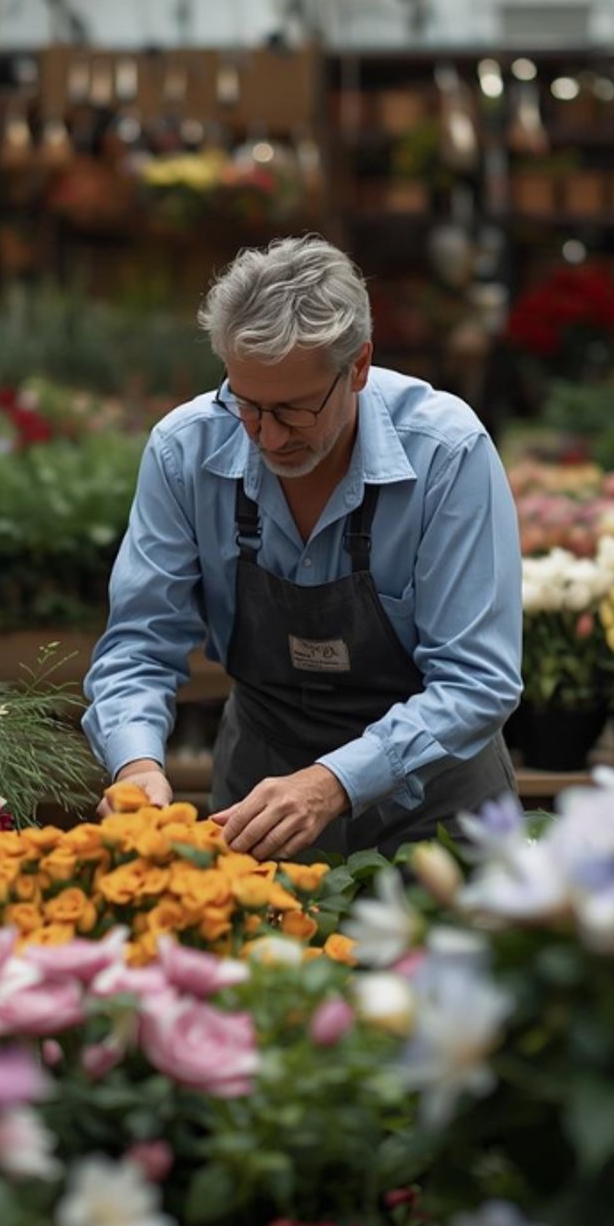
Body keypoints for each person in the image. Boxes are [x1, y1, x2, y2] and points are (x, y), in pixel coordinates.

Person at [82, 234, 522, 862]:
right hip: (260, 784)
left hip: (436, 799)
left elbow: (479, 679)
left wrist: (332, 782)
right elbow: (139, 644)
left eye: (293, 409)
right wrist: (136, 767)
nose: (267, 434)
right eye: (247, 405)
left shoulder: (446, 454)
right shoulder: (186, 451)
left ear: (360, 367)